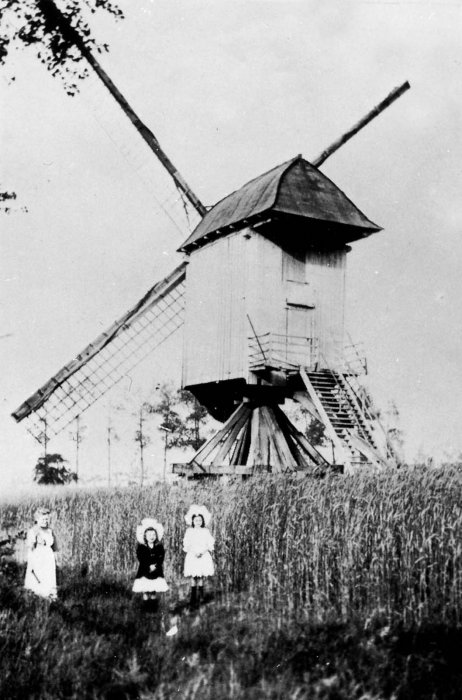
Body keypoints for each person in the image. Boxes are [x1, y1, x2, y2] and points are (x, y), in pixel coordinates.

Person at [183, 504, 214, 608]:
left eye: (200, 521)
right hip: (193, 555)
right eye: (196, 521)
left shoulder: (205, 531)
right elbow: (187, 544)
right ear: (192, 521)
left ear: (203, 521)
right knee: (193, 576)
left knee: (200, 576)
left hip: (202, 555)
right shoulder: (189, 531)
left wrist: (202, 551)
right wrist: (194, 552)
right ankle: (193, 597)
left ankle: (201, 597)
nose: (198, 522)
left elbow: (209, 544)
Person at [24, 506, 58, 600]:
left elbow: (54, 547)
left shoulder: (50, 531)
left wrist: (55, 559)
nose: (45, 521)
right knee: (39, 579)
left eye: (47, 519)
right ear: (37, 519)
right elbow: (31, 548)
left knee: (49, 578)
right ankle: (38, 598)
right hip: (38, 558)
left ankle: (50, 598)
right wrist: (32, 562)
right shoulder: (33, 531)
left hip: (49, 558)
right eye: (43, 519)